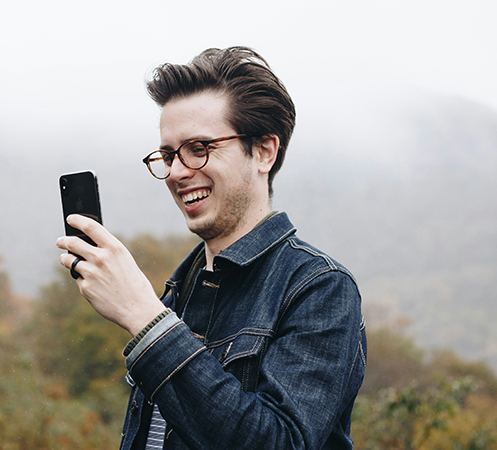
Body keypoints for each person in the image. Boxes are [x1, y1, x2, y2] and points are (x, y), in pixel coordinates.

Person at [56, 46, 366, 450]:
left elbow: (279, 443)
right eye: (168, 154)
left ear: (264, 151)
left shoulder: (320, 289)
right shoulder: (179, 291)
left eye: (199, 148)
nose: (178, 171)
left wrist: (146, 319)